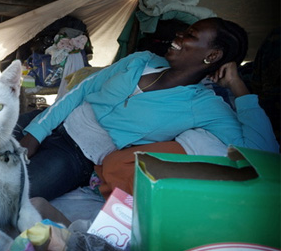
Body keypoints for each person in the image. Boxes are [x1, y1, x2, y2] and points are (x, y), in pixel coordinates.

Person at [15, 17, 279, 201]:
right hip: (51, 121)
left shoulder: (204, 106)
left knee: (7, 194)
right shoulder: (141, 60)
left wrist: (238, 88)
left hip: (75, 158)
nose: (178, 36)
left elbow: (261, 153)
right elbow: (82, 91)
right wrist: (36, 132)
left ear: (212, 56)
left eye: (191, 36)